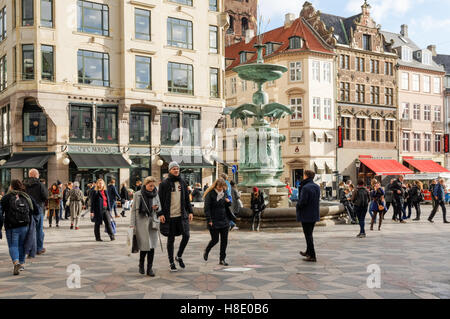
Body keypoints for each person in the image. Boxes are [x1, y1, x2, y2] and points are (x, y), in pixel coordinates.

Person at [157, 162, 193, 272]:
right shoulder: (164, 184)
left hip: (181, 215)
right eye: (174, 169)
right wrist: (160, 214)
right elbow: (159, 200)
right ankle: (171, 262)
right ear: (169, 170)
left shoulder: (182, 182)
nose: (176, 170)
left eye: (177, 169)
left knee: (186, 235)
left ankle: (179, 256)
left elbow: (187, 199)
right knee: (170, 239)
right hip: (169, 217)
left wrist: (190, 211)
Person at [130, 176, 161, 277]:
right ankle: (141, 265)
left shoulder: (156, 194)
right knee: (144, 246)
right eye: (150, 185)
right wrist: (132, 225)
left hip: (153, 223)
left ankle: (150, 268)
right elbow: (133, 211)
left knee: (152, 247)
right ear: (145, 184)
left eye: (153, 186)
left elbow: (160, 206)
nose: (152, 187)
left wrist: (156, 208)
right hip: (141, 223)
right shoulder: (138, 195)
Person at [0, 180, 33, 275]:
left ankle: (16, 262)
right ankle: (21, 264)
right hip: (24, 225)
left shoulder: (6, 197)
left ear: (11, 187)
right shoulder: (26, 196)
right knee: (21, 245)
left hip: (11, 226)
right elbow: (32, 210)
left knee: (13, 245)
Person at [203, 178, 233, 266]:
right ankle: (207, 250)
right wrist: (209, 220)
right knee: (215, 240)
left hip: (224, 220)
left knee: (224, 241)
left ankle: (222, 259)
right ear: (215, 186)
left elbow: (225, 205)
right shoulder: (210, 194)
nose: (220, 189)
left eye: (222, 187)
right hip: (214, 220)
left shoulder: (224, 194)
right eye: (219, 187)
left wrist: (228, 202)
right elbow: (207, 208)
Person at [296, 170, 321, 263]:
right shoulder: (317, 187)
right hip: (314, 214)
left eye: (304, 175)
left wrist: (298, 205)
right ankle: (308, 252)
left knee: (308, 235)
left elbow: (303, 202)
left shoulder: (305, 187)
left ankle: (312, 255)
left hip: (306, 214)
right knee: (309, 234)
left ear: (306, 176)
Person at [24, 169, 48, 255]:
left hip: (27, 209)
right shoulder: (40, 184)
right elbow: (45, 196)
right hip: (38, 208)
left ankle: (30, 249)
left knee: (29, 229)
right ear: (36, 175)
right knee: (39, 230)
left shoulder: (24, 184)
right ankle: (39, 248)